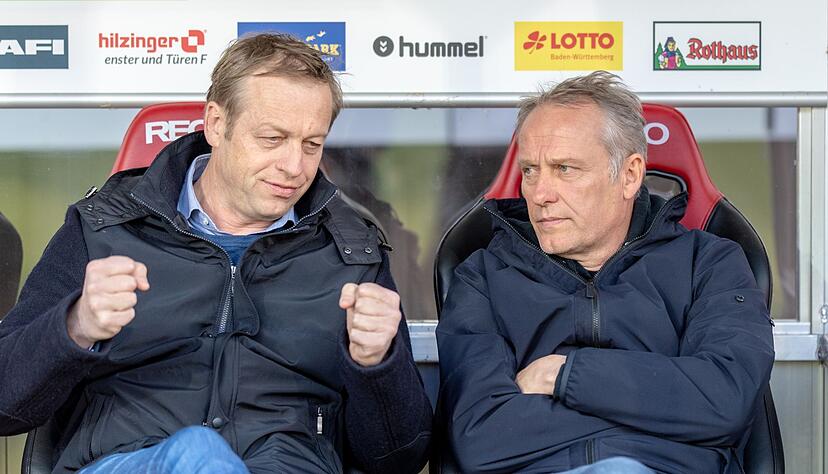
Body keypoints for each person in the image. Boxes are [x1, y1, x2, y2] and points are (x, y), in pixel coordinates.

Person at [0, 33, 432, 474]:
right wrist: (75, 326)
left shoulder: (353, 253)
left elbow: (398, 460)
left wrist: (377, 366)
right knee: (199, 456)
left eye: (311, 144)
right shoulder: (103, 228)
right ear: (216, 124)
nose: (294, 166)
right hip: (132, 461)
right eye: (272, 138)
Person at [435, 71, 774, 473]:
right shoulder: (483, 277)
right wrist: (663, 408)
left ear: (629, 175)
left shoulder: (710, 265)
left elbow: (726, 400)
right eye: (530, 170)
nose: (540, 194)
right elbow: (481, 438)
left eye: (564, 168)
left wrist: (563, 376)